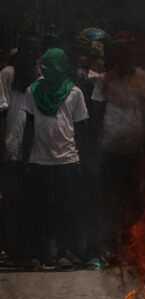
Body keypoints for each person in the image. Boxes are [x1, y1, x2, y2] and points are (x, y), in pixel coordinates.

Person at [21, 48, 89, 270]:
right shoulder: (32, 91)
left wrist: (83, 160)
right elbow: (29, 127)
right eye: (45, 67)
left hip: (67, 160)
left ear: (61, 68)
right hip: (39, 160)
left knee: (65, 210)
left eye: (51, 66)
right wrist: (26, 159)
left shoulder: (74, 93)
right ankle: (36, 256)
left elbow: (80, 129)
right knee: (38, 210)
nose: (46, 71)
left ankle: (63, 255)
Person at [91, 36, 145, 260]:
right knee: (109, 201)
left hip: (136, 152)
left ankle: (130, 247)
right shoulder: (104, 80)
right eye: (124, 54)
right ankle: (107, 246)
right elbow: (96, 115)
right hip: (109, 150)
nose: (128, 58)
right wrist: (93, 151)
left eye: (132, 54)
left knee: (134, 202)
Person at [0, 30, 40, 266]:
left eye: (36, 49)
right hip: (11, 149)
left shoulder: (39, 76)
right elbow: (1, 112)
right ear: (20, 49)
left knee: (30, 203)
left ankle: (27, 251)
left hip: (35, 153)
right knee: (11, 202)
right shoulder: (7, 74)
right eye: (28, 48)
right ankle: (10, 250)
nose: (32, 52)